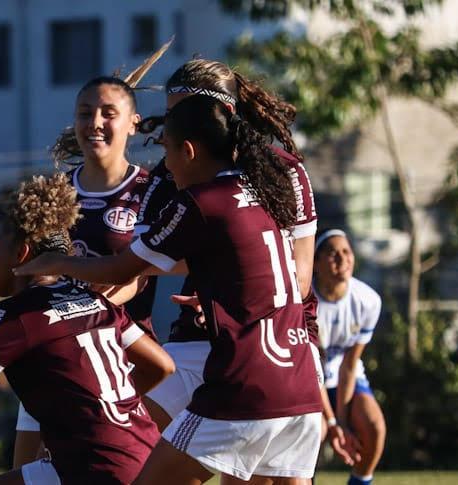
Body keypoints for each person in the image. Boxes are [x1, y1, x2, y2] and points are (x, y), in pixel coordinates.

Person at [16, 94, 322, 484]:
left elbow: (121, 267)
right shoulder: (262, 194)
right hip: (300, 386)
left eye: (168, 153)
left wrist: (56, 263)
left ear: (189, 150)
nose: (165, 168)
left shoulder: (201, 202)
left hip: (246, 387)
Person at [0, 73, 164, 467]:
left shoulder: (151, 192)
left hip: (120, 359)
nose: (94, 122)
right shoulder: (56, 193)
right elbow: (19, 271)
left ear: (133, 122)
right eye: (84, 113)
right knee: (29, 472)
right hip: (53, 362)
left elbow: (138, 274)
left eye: (108, 113)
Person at [0, 174, 174, 484]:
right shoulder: (93, 300)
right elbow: (161, 366)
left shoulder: (14, 317)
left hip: (98, 467)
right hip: (147, 459)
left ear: (21, 255)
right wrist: (106, 407)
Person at [136, 61, 321, 445]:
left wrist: (230, 290)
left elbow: (300, 278)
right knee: (129, 434)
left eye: (185, 111)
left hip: (281, 339)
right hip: (197, 338)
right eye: (171, 114)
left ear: (226, 113)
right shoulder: (167, 173)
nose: (176, 122)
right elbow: (141, 264)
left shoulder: (283, 171)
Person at [314, 230, 386, 485]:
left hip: (346, 379)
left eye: (346, 251)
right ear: (316, 262)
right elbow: (311, 370)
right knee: (314, 433)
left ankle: (360, 481)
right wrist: (332, 423)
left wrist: (342, 422)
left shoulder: (368, 301)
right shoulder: (304, 302)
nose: (342, 258)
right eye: (333, 253)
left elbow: (349, 365)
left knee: (375, 427)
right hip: (309, 381)